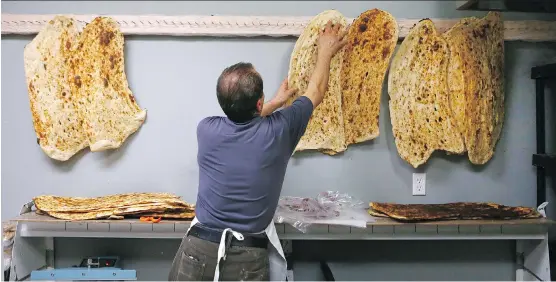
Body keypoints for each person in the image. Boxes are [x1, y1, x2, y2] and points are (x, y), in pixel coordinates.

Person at [168, 21, 348, 281]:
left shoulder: (206, 130)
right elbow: (316, 91)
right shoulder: (279, 131)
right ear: (259, 102)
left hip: (196, 250)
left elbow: (241, 119)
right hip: (245, 258)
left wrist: (273, 102)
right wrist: (325, 51)